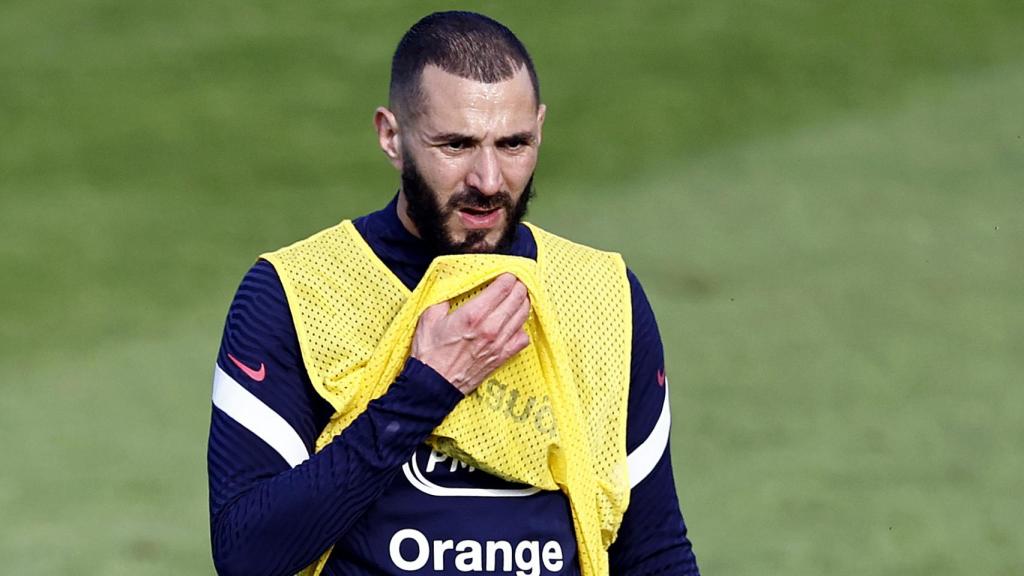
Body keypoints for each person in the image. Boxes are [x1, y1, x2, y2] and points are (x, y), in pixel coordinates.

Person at [207, 11, 699, 576]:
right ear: (392, 136)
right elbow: (247, 555)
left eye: (514, 144)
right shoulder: (296, 293)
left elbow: (654, 551)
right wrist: (425, 390)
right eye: (456, 144)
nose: (488, 180)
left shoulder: (602, 296)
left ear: (540, 127)